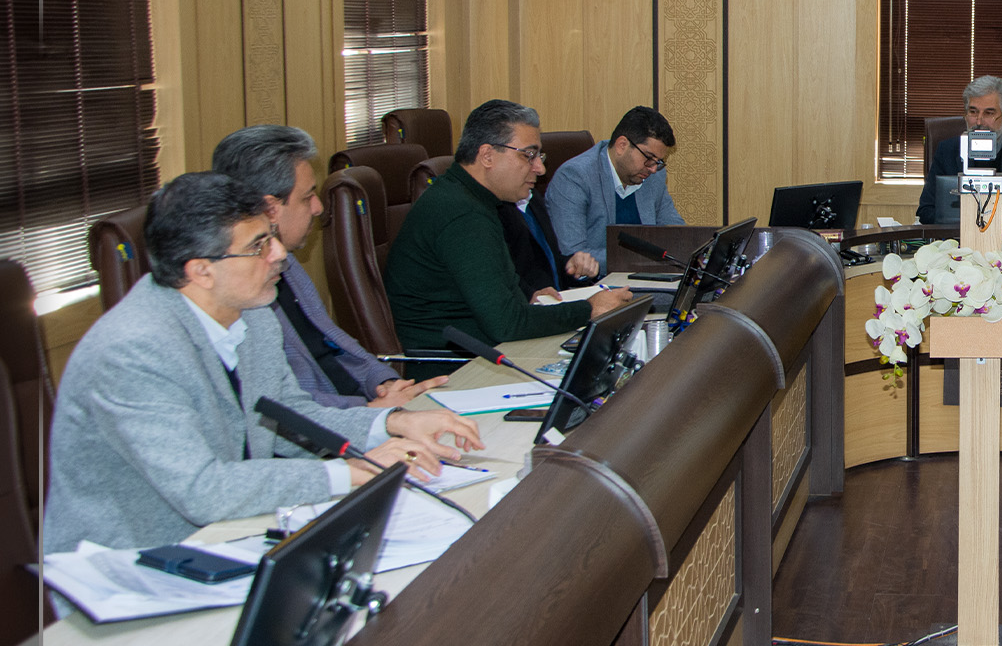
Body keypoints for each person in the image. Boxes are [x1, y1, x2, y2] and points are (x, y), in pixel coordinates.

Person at [42, 173, 481, 553]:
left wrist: (392, 423)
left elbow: (290, 419)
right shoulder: (132, 350)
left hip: (231, 535)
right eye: (258, 246)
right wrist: (350, 471)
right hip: (136, 565)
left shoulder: (251, 313)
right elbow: (202, 490)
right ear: (200, 270)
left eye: (271, 235)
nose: (279, 254)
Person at [212, 125, 448, 408]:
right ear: (270, 209)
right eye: (307, 197)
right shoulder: (240, 294)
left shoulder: (287, 263)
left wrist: (384, 383)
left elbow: (336, 344)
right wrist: (370, 413)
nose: (318, 208)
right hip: (333, 425)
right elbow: (281, 406)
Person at [385, 100, 632, 364]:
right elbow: (506, 324)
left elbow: (500, 295)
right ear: (487, 156)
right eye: (528, 155)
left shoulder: (471, 199)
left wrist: (529, 295)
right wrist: (589, 309)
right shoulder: (462, 215)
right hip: (454, 367)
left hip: (484, 351)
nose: (540, 168)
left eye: (539, 156)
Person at [545, 105, 683, 271]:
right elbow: (573, 255)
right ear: (622, 145)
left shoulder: (654, 176)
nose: (653, 168)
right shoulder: (574, 177)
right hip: (597, 281)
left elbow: (675, 232)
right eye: (649, 158)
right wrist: (644, 258)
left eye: (658, 162)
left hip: (644, 276)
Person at [914, 75, 1002, 225]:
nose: (979, 121)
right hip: (958, 238)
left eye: (989, 113)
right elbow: (925, 211)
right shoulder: (946, 151)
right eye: (973, 112)